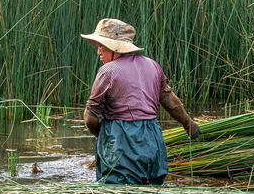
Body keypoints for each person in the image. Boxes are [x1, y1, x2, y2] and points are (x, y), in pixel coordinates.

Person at [81, 18, 200, 185]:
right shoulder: (153, 65)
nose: (98, 52)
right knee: (152, 190)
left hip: (122, 141)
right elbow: (169, 100)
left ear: (115, 47)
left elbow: (90, 118)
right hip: (153, 140)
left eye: (102, 46)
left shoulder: (108, 71)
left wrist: (103, 136)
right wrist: (189, 124)